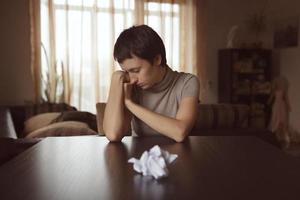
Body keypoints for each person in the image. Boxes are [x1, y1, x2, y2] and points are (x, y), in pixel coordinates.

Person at [103, 25, 200, 142]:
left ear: (157, 59)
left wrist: (130, 104)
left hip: (179, 156)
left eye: (136, 71)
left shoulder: (187, 82)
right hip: (140, 157)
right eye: (127, 71)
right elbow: (113, 135)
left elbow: (180, 132)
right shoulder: (132, 86)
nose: (133, 79)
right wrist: (116, 78)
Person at [268, 76, 291, 147]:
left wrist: (288, 105)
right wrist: (268, 102)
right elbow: (271, 98)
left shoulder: (283, 91)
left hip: (281, 105)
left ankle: (284, 136)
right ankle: (276, 135)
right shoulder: (274, 91)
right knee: (275, 117)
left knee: (282, 118)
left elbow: (286, 98)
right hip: (276, 105)